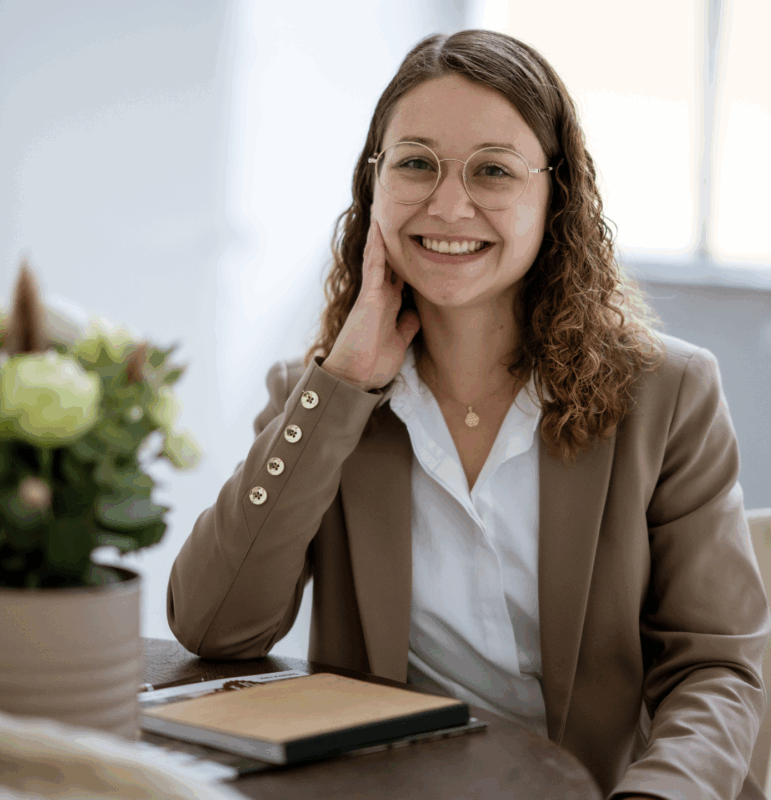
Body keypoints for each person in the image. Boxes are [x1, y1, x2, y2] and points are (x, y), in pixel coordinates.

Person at [167, 29, 770, 800]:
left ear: (556, 198)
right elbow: (214, 626)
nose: (449, 205)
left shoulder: (669, 393)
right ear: (373, 186)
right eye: (415, 163)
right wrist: (341, 386)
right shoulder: (319, 397)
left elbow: (715, 668)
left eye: (493, 170)